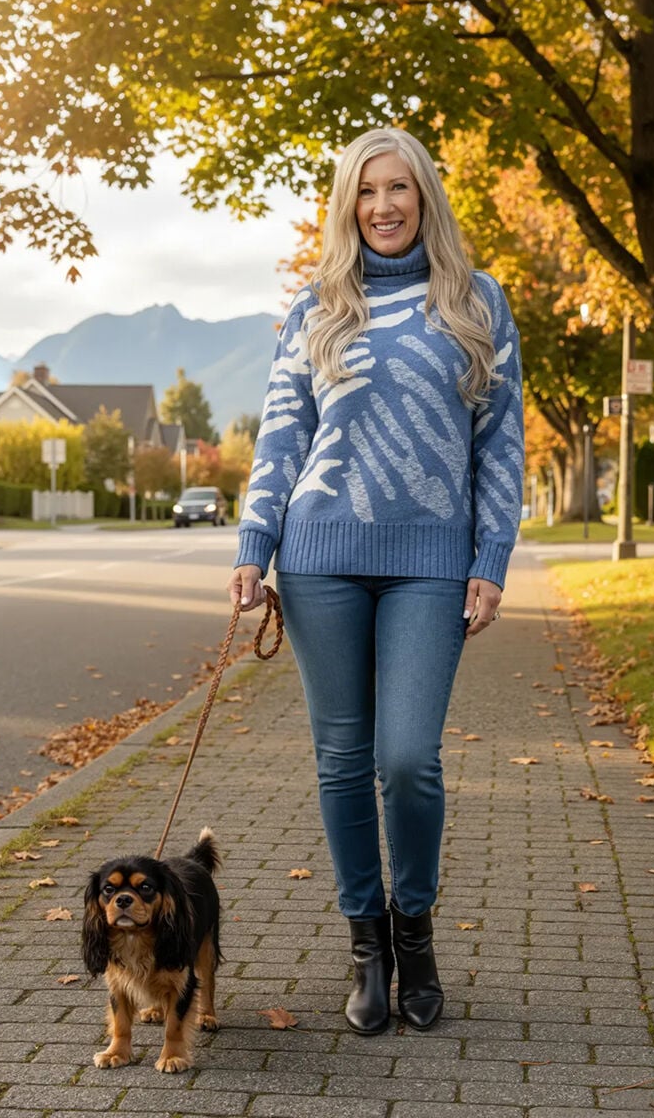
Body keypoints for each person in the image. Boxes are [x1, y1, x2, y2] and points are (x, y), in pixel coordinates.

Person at [229, 127, 524, 1036]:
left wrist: (490, 559)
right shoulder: (316, 306)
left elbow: (500, 443)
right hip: (319, 557)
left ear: (424, 196)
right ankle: (367, 949)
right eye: (366, 190)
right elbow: (282, 433)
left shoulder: (476, 302)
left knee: (408, 760)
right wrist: (254, 543)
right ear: (347, 205)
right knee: (343, 761)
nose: (383, 206)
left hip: (430, 564)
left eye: (398, 188)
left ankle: (416, 934)